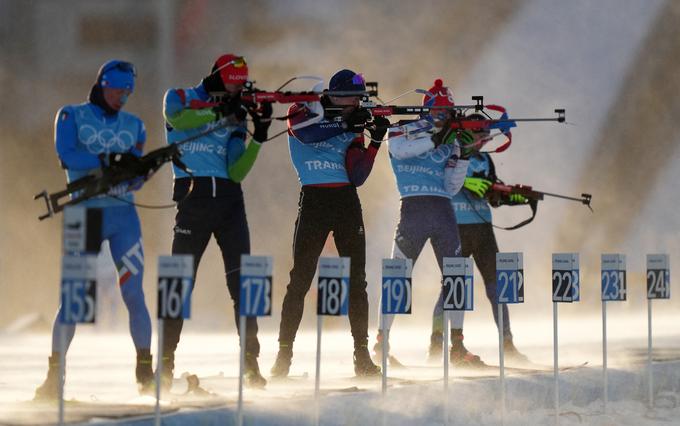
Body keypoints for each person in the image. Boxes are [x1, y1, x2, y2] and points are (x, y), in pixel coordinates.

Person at [35, 60, 153, 399]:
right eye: (118, 91)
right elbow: (67, 156)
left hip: (124, 219)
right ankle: (53, 377)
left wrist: (141, 172)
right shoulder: (70, 116)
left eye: (128, 93)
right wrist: (108, 160)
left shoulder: (136, 126)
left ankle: (145, 371)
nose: (123, 98)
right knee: (74, 299)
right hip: (83, 217)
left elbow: (137, 178)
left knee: (134, 293)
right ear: (102, 84)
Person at [161, 54, 272, 389]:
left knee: (244, 283)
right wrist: (219, 111)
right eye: (232, 80)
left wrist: (259, 135)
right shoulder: (180, 96)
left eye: (242, 82)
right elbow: (178, 120)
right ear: (218, 77)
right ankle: (164, 364)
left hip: (229, 201)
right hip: (192, 198)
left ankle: (251, 363)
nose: (237, 87)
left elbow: (237, 169)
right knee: (178, 283)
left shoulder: (237, 116)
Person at [270, 69, 389, 378]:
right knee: (300, 279)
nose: (355, 103)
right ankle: (283, 356)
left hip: (346, 201)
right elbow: (308, 133)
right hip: (313, 201)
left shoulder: (354, 123)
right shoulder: (303, 110)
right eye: (351, 97)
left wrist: (374, 141)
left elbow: (358, 176)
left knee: (357, 280)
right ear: (334, 95)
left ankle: (361, 355)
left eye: (359, 99)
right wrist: (345, 122)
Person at [373, 79, 481, 367]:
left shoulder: (451, 138)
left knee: (457, 277)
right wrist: (435, 138)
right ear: (427, 109)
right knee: (398, 275)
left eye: (448, 112)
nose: (443, 117)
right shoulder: (402, 129)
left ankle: (456, 344)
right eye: (439, 111)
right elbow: (398, 151)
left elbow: (451, 186)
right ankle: (381, 343)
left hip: (442, 209)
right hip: (413, 206)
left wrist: (464, 156)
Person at [427, 114, 530, 364]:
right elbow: (439, 183)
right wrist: (467, 184)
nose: (484, 141)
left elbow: (493, 191)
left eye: (486, 136)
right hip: (455, 229)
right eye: (479, 135)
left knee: (497, 288)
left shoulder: (485, 158)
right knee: (452, 289)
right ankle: (437, 346)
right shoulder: (447, 153)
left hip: (483, 230)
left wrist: (511, 196)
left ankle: (508, 343)